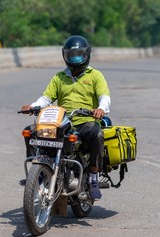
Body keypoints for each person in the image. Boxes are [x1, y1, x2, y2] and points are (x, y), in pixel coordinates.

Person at [20, 35, 111, 200]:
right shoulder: (59, 77)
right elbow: (46, 99)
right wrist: (33, 106)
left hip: (85, 121)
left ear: (87, 54)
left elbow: (105, 97)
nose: (75, 58)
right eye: (71, 55)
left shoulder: (95, 75)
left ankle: (92, 177)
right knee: (30, 131)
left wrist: (100, 109)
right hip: (63, 121)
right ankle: (36, 174)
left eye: (79, 54)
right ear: (65, 55)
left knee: (97, 134)